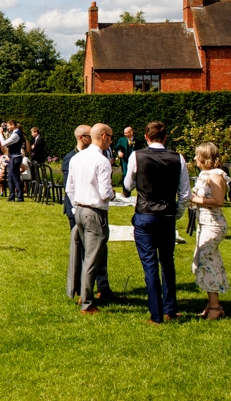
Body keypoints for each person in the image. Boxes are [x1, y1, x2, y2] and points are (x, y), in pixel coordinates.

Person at [123, 120, 191, 324]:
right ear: (166, 137)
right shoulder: (178, 158)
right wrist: (176, 213)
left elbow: (127, 183)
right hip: (167, 215)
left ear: (145, 137)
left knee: (150, 265)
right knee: (167, 262)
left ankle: (156, 314)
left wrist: (134, 186)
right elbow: (185, 193)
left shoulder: (137, 156)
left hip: (145, 214)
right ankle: (169, 308)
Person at [66, 123, 115, 315]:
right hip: (95, 212)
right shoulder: (101, 161)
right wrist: (112, 193)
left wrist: (77, 205)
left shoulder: (77, 158)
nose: (111, 141)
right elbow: (104, 193)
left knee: (82, 255)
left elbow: (69, 188)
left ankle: (80, 293)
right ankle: (86, 302)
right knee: (92, 258)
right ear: (103, 136)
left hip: (79, 209)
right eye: (110, 137)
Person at [191, 141, 230, 320]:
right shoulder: (207, 174)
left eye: (197, 156)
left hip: (213, 225)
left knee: (206, 262)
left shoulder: (215, 176)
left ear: (204, 158)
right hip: (205, 223)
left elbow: (219, 200)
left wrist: (194, 199)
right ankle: (213, 304)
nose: (194, 159)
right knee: (209, 261)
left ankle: (214, 307)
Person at [61, 126, 92, 230]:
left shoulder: (91, 156)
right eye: (90, 136)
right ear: (80, 137)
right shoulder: (70, 158)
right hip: (75, 207)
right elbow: (68, 185)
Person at [0, 120, 26, 202]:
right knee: (10, 177)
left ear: (13, 125)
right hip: (12, 157)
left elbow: (4, 143)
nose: (7, 128)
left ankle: (20, 196)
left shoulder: (16, 134)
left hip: (15, 157)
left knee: (15, 177)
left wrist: (0, 134)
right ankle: (11, 195)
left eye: (8, 126)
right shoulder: (15, 133)